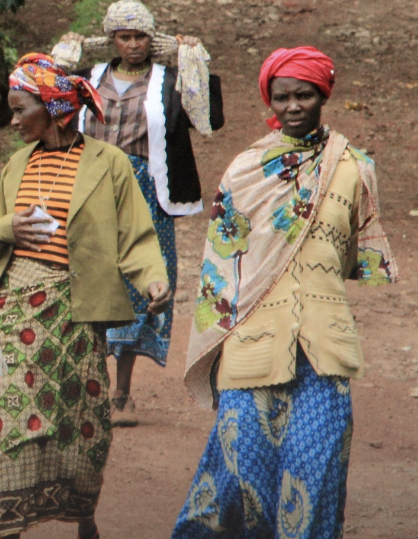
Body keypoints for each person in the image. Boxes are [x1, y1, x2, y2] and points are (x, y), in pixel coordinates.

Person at [172, 47, 397, 538]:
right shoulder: (245, 171)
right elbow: (220, 267)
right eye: (282, 97)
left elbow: (355, 257)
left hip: (324, 350)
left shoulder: (355, 168)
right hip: (251, 344)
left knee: (314, 474)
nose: (293, 106)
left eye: (304, 94)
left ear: (323, 95)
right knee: (245, 469)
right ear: (269, 101)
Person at [0, 53, 171, 539]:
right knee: (14, 415)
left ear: (55, 108)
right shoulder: (16, 164)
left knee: (80, 418)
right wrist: (10, 226)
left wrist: (154, 279)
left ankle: (82, 513)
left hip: (79, 310)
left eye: (22, 108)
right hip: (16, 304)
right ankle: (11, 524)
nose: (14, 119)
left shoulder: (109, 164)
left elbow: (136, 236)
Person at [51, 0, 225, 425]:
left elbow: (210, 120)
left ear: (152, 39)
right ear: (111, 40)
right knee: (86, 276)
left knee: (139, 283)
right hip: (87, 190)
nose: (133, 45)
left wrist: (192, 59)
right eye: (124, 37)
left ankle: (121, 394)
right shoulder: (87, 78)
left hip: (145, 194)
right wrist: (65, 54)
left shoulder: (169, 81)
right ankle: (85, 386)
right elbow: (50, 106)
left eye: (141, 36)